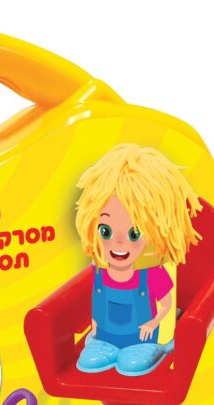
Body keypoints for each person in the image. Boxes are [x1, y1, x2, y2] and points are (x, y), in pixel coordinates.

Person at [75, 144, 202, 376]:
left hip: (146, 341)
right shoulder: (100, 268)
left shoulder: (153, 272)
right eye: (105, 231)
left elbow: (166, 305)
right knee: (96, 357)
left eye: (134, 234)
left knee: (133, 361)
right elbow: (98, 301)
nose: (118, 243)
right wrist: (95, 326)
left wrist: (154, 324)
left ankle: (148, 348)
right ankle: (106, 344)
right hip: (104, 338)